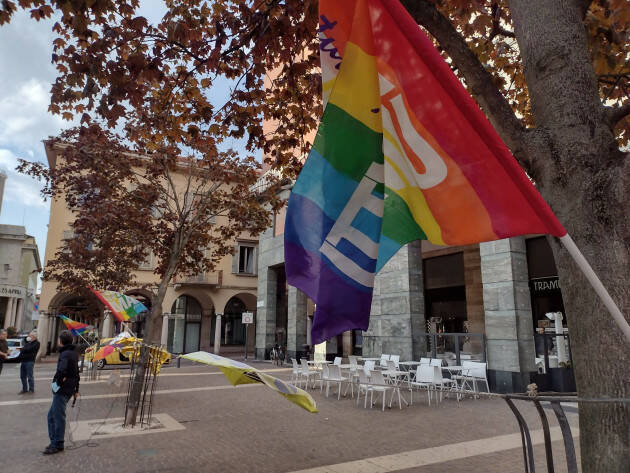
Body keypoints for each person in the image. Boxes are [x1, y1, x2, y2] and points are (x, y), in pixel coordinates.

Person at [44, 330, 80, 455]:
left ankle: (58, 444)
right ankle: (55, 441)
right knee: (52, 416)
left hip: (62, 390)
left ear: (61, 341)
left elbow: (62, 370)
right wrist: (76, 389)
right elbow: (76, 373)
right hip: (69, 389)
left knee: (57, 417)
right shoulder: (74, 353)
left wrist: (57, 383)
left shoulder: (65, 354)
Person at [18, 330, 40, 394]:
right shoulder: (28, 343)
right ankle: (24, 389)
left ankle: (31, 389)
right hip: (23, 361)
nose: (29, 337)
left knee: (30, 376)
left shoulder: (37, 343)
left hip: (30, 362)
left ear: (34, 336)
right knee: (22, 376)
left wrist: (23, 349)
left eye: (30, 336)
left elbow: (28, 349)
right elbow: (23, 351)